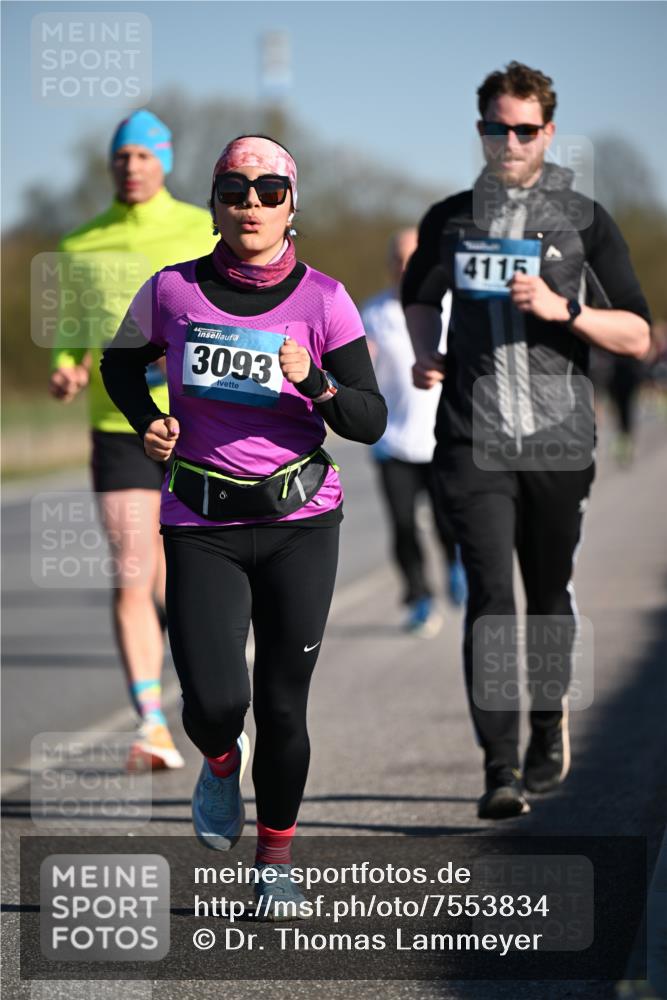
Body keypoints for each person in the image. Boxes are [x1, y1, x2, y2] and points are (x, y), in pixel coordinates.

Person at [101, 135, 386, 916]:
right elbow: (118, 363)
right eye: (234, 190)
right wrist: (147, 421)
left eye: (268, 191)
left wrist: (316, 381)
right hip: (201, 520)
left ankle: (275, 865)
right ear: (215, 202)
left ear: (293, 203)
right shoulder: (171, 291)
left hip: (300, 520)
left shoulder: (324, 299)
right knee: (217, 704)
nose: (250, 205)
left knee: (285, 704)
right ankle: (220, 763)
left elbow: (368, 418)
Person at [402, 62, 650, 820]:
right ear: (478, 128)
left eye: (522, 129)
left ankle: (547, 727)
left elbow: (637, 335)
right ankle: (498, 766)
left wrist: (562, 307)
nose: (507, 141)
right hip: (471, 441)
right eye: (493, 127)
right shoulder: (449, 218)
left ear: (546, 130)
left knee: (544, 600)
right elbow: (418, 293)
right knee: (489, 599)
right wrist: (424, 352)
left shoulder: (583, 218)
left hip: (556, 441)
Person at [49, 110, 216, 771]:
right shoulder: (78, 245)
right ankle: (150, 721)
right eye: (121, 157)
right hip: (120, 426)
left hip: (200, 424)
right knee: (132, 571)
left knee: (183, 573)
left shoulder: (203, 230)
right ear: (110, 165)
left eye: (144, 156)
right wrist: (64, 366)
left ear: (165, 161)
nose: (132, 167)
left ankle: (211, 685)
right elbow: (71, 331)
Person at [360, 228, 466, 638]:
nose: (405, 267)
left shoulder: (455, 305)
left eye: (414, 258)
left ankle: (458, 566)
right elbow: (355, 367)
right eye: (398, 259)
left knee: (448, 522)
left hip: (444, 439)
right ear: (390, 265)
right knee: (403, 526)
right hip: (394, 442)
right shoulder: (372, 311)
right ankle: (420, 598)